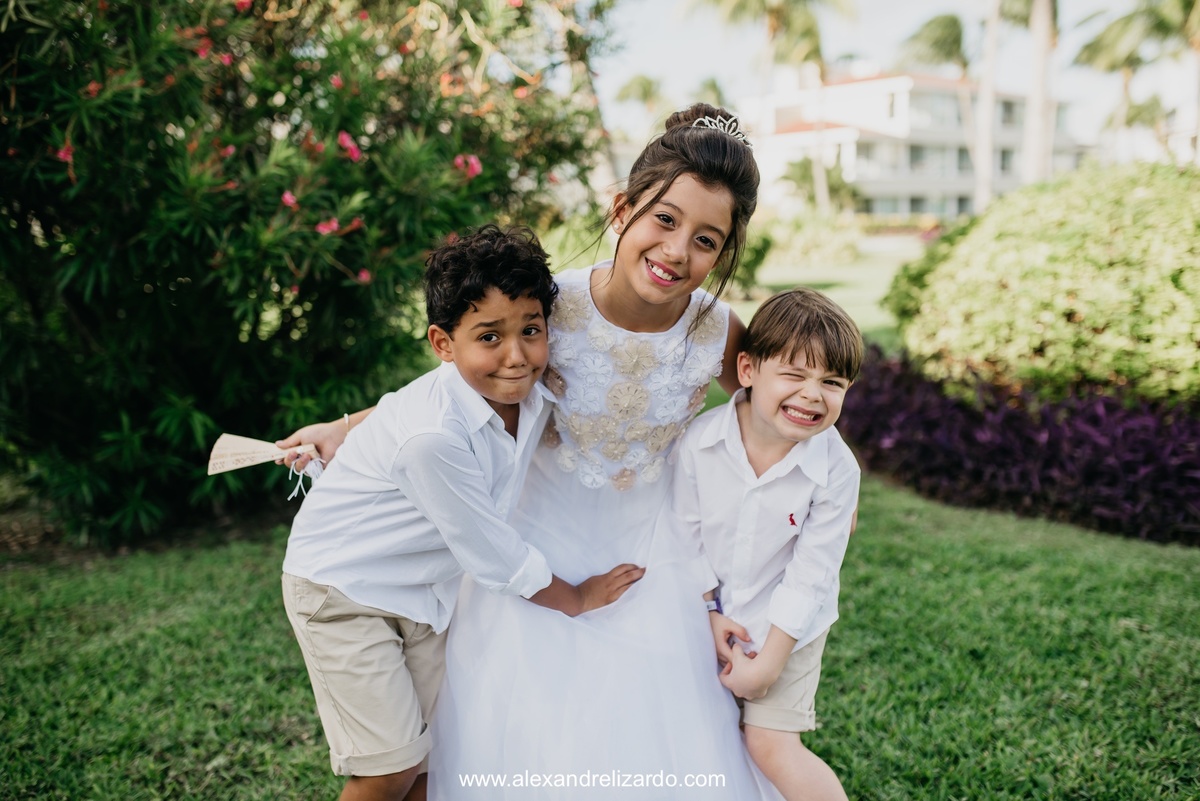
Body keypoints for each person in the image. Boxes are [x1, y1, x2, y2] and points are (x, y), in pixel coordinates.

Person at [281, 103, 781, 799]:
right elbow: (458, 377)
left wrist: (813, 478)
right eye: (664, 221)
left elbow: (773, 406)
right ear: (623, 210)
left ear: (725, 252)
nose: (677, 251)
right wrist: (348, 424)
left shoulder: (717, 329)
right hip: (532, 540)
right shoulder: (557, 307)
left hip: (647, 551)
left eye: (706, 239)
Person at [280, 225, 644, 801]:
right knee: (391, 767)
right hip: (342, 586)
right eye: (489, 337)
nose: (516, 355)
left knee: (432, 757)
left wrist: (342, 426)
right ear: (443, 344)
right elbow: (495, 557)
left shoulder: (531, 390)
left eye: (531, 330)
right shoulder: (434, 439)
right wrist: (576, 598)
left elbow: (395, 402)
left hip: (421, 588)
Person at [663, 288, 863, 801]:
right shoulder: (699, 444)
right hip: (709, 611)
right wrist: (707, 610)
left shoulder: (836, 470)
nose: (812, 395)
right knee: (698, 733)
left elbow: (814, 573)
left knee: (769, 745)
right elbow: (683, 537)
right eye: (795, 375)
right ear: (748, 370)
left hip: (790, 626)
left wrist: (772, 659)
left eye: (832, 383)